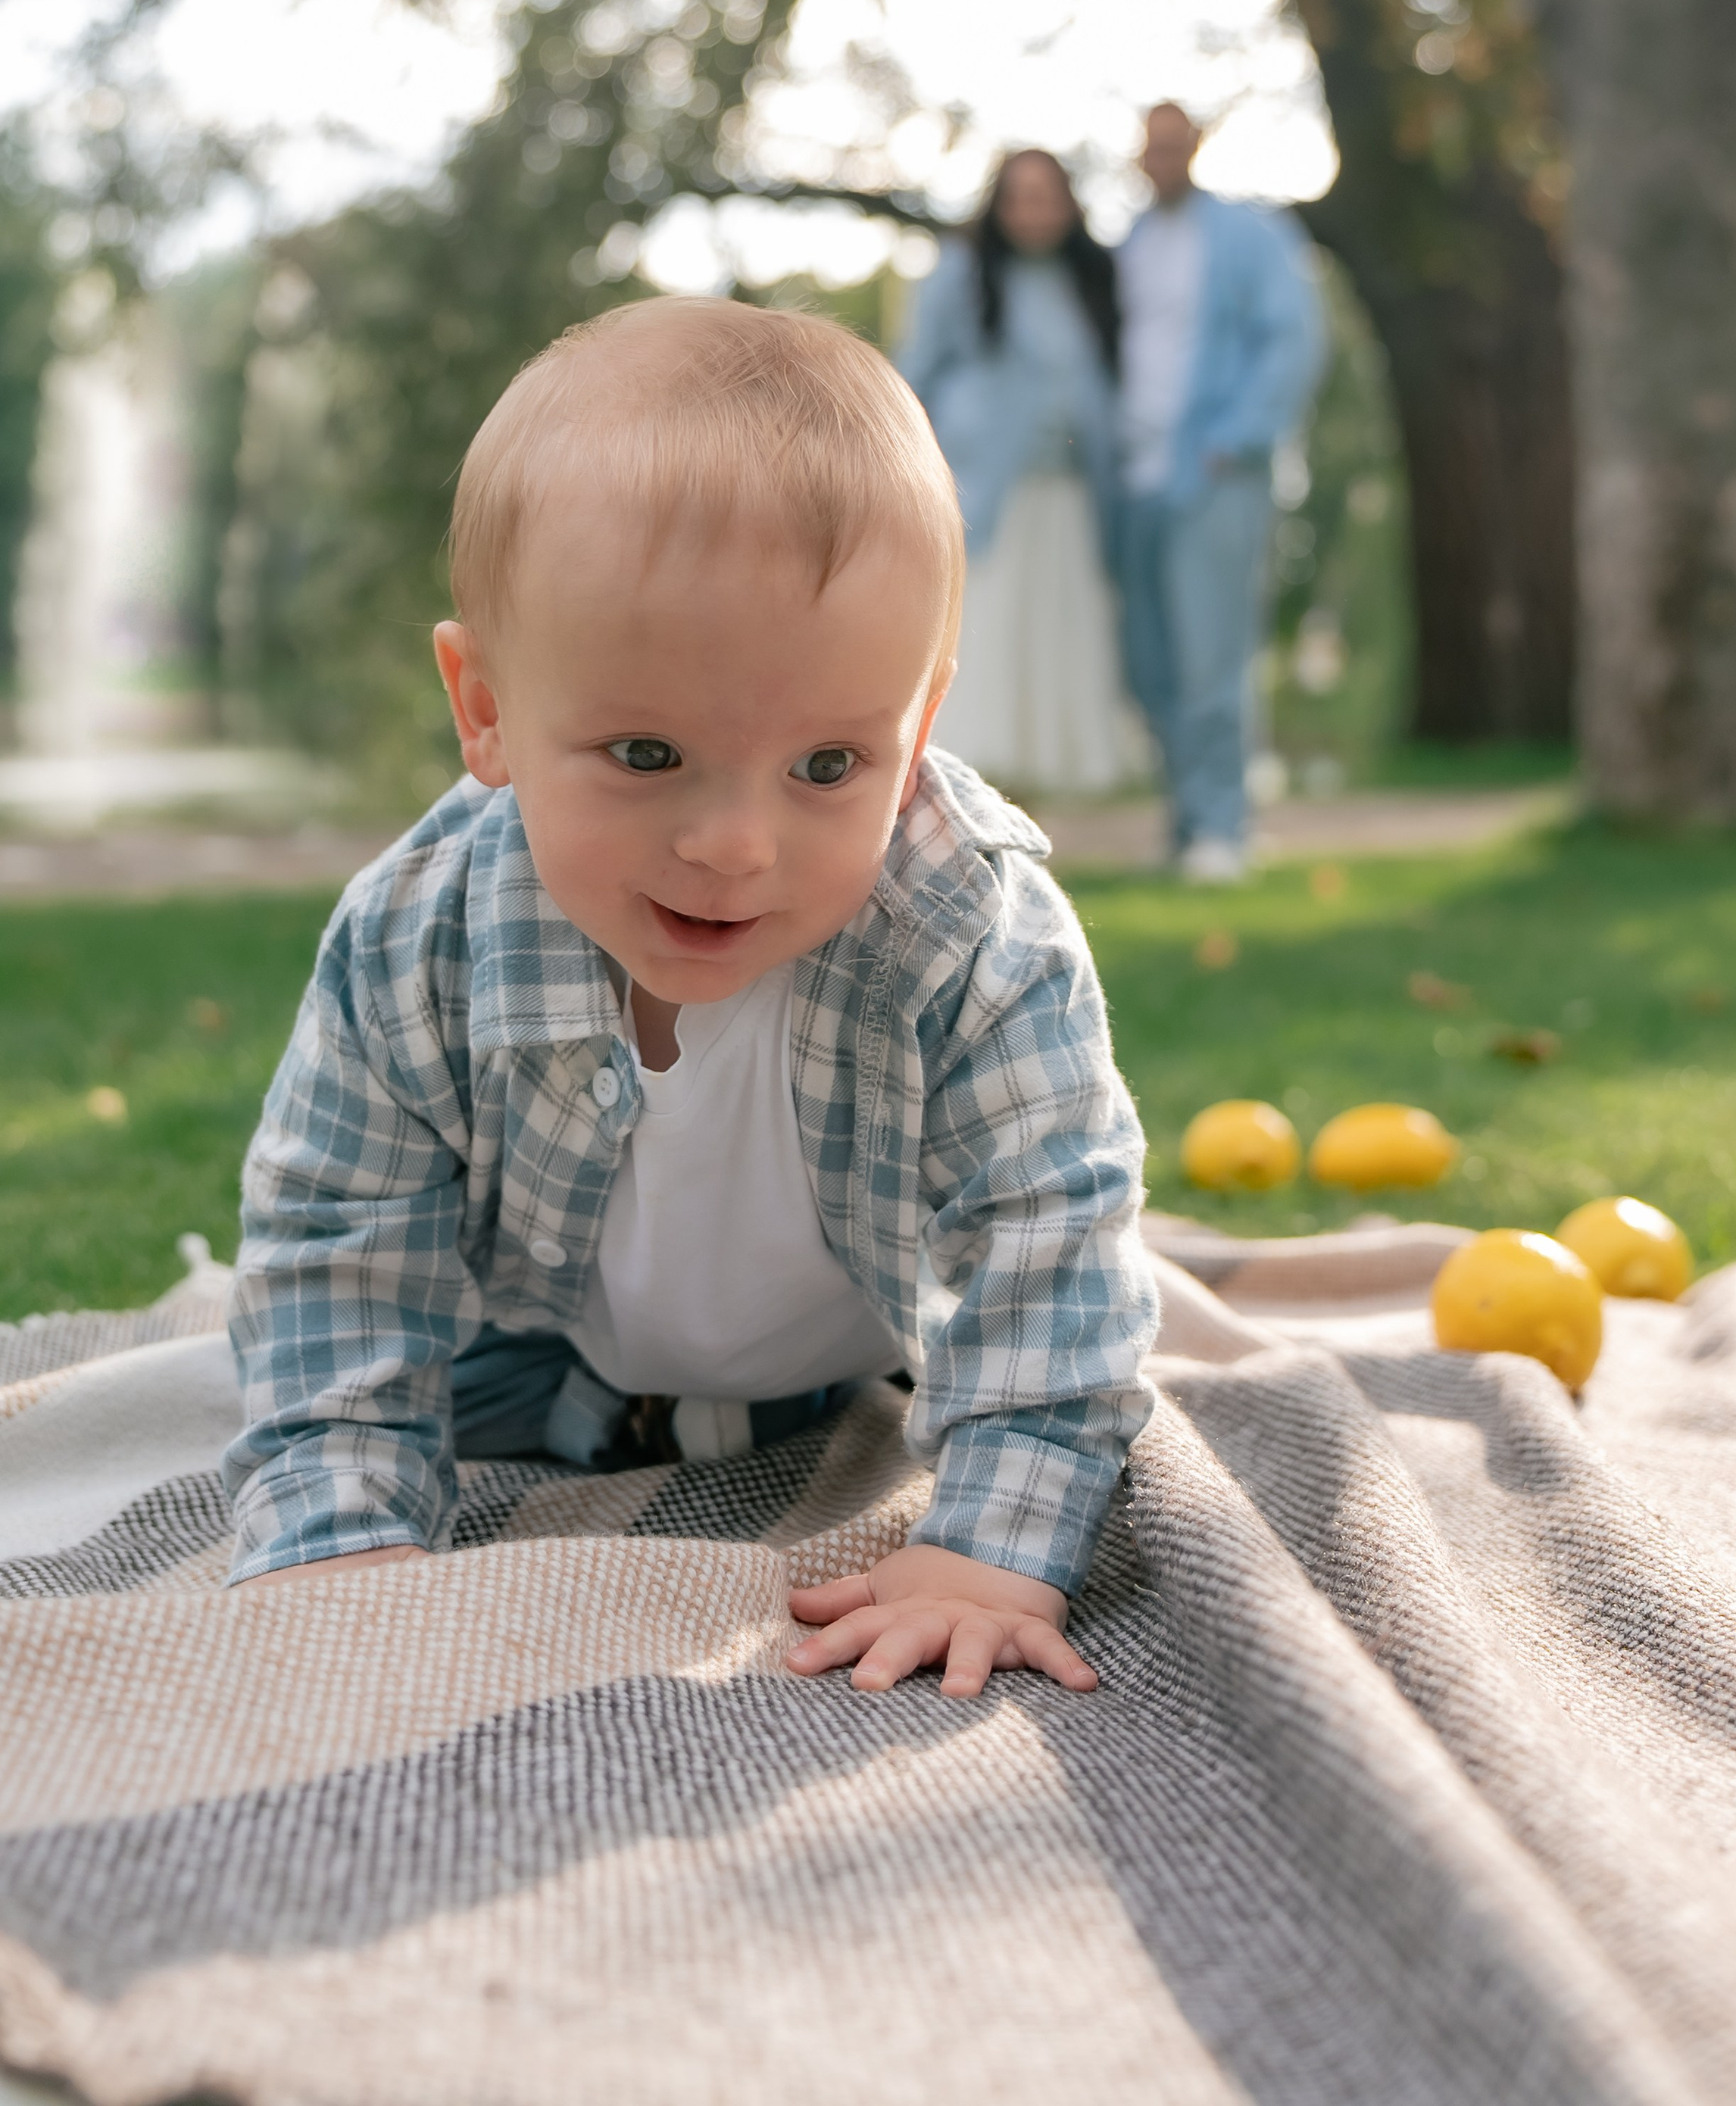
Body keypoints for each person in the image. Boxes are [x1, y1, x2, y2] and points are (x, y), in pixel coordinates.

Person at [222, 297, 1159, 1702]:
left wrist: (988, 1553)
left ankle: (746, 1427)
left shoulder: (972, 936)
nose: (734, 845)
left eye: (829, 766)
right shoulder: (421, 937)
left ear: (917, 729)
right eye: (648, 753)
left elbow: (1052, 1231)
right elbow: (338, 1240)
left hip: (859, 1356)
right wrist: (337, 1530)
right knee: (369, 1382)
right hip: (535, 1345)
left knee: (1055, 1335)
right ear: (486, 708)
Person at [1116, 101, 1329, 881]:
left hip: (1212, 476)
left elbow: (1295, 338)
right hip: (1132, 481)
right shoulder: (1132, 245)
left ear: (1196, 148)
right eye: (1152, 146)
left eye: (1176, 144)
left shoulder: (1250, 236)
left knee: (1213, 657)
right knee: (1150, 665)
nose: (1163, 158)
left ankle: (1221, 827)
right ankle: (1186, 820)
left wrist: (1233, 441)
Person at [898, 148, 1135, 793]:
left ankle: (1062, 765)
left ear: (1069, 204)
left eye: (1047, 196)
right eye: (1021, 196)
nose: (1034, 210)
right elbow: (917, 372)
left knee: (1063, 620)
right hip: (986, 487)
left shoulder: (1091, 276)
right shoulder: (960, 273)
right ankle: (975, 764)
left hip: (1071, 486)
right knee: (990, 620)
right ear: (998, 204)